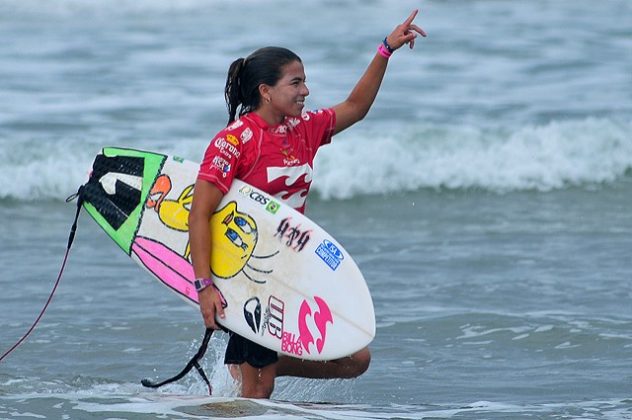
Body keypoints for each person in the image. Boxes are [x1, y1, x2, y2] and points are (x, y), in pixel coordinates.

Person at [188, 10, 426, 398]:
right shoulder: (233, 142)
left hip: (290, 272)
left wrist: (386, 50)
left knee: (355, 360)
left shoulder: (304, 130)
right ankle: (252, 369)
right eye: (295, 82)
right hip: (247, 275)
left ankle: (254, 365)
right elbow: (199, 213)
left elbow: (356, 106)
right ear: (266, 91)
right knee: (258, 392)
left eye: (305, 81)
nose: (306, 91)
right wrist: (204, 288)